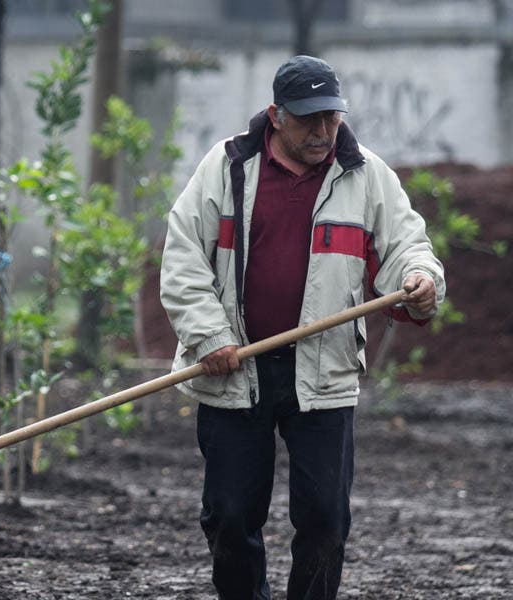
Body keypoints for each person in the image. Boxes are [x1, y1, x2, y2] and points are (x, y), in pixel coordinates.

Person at [159, 55, 444, 600]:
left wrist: (420, 279)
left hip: (323, 370)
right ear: (276, 116)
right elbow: (182, 259)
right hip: (234, 368)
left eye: (331, 117)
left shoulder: (366, 175)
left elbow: (407, 245)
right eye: (309, 118)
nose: (322, 131)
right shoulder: (226, 166)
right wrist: (210, 336)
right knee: (230, 516)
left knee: (325, 520)